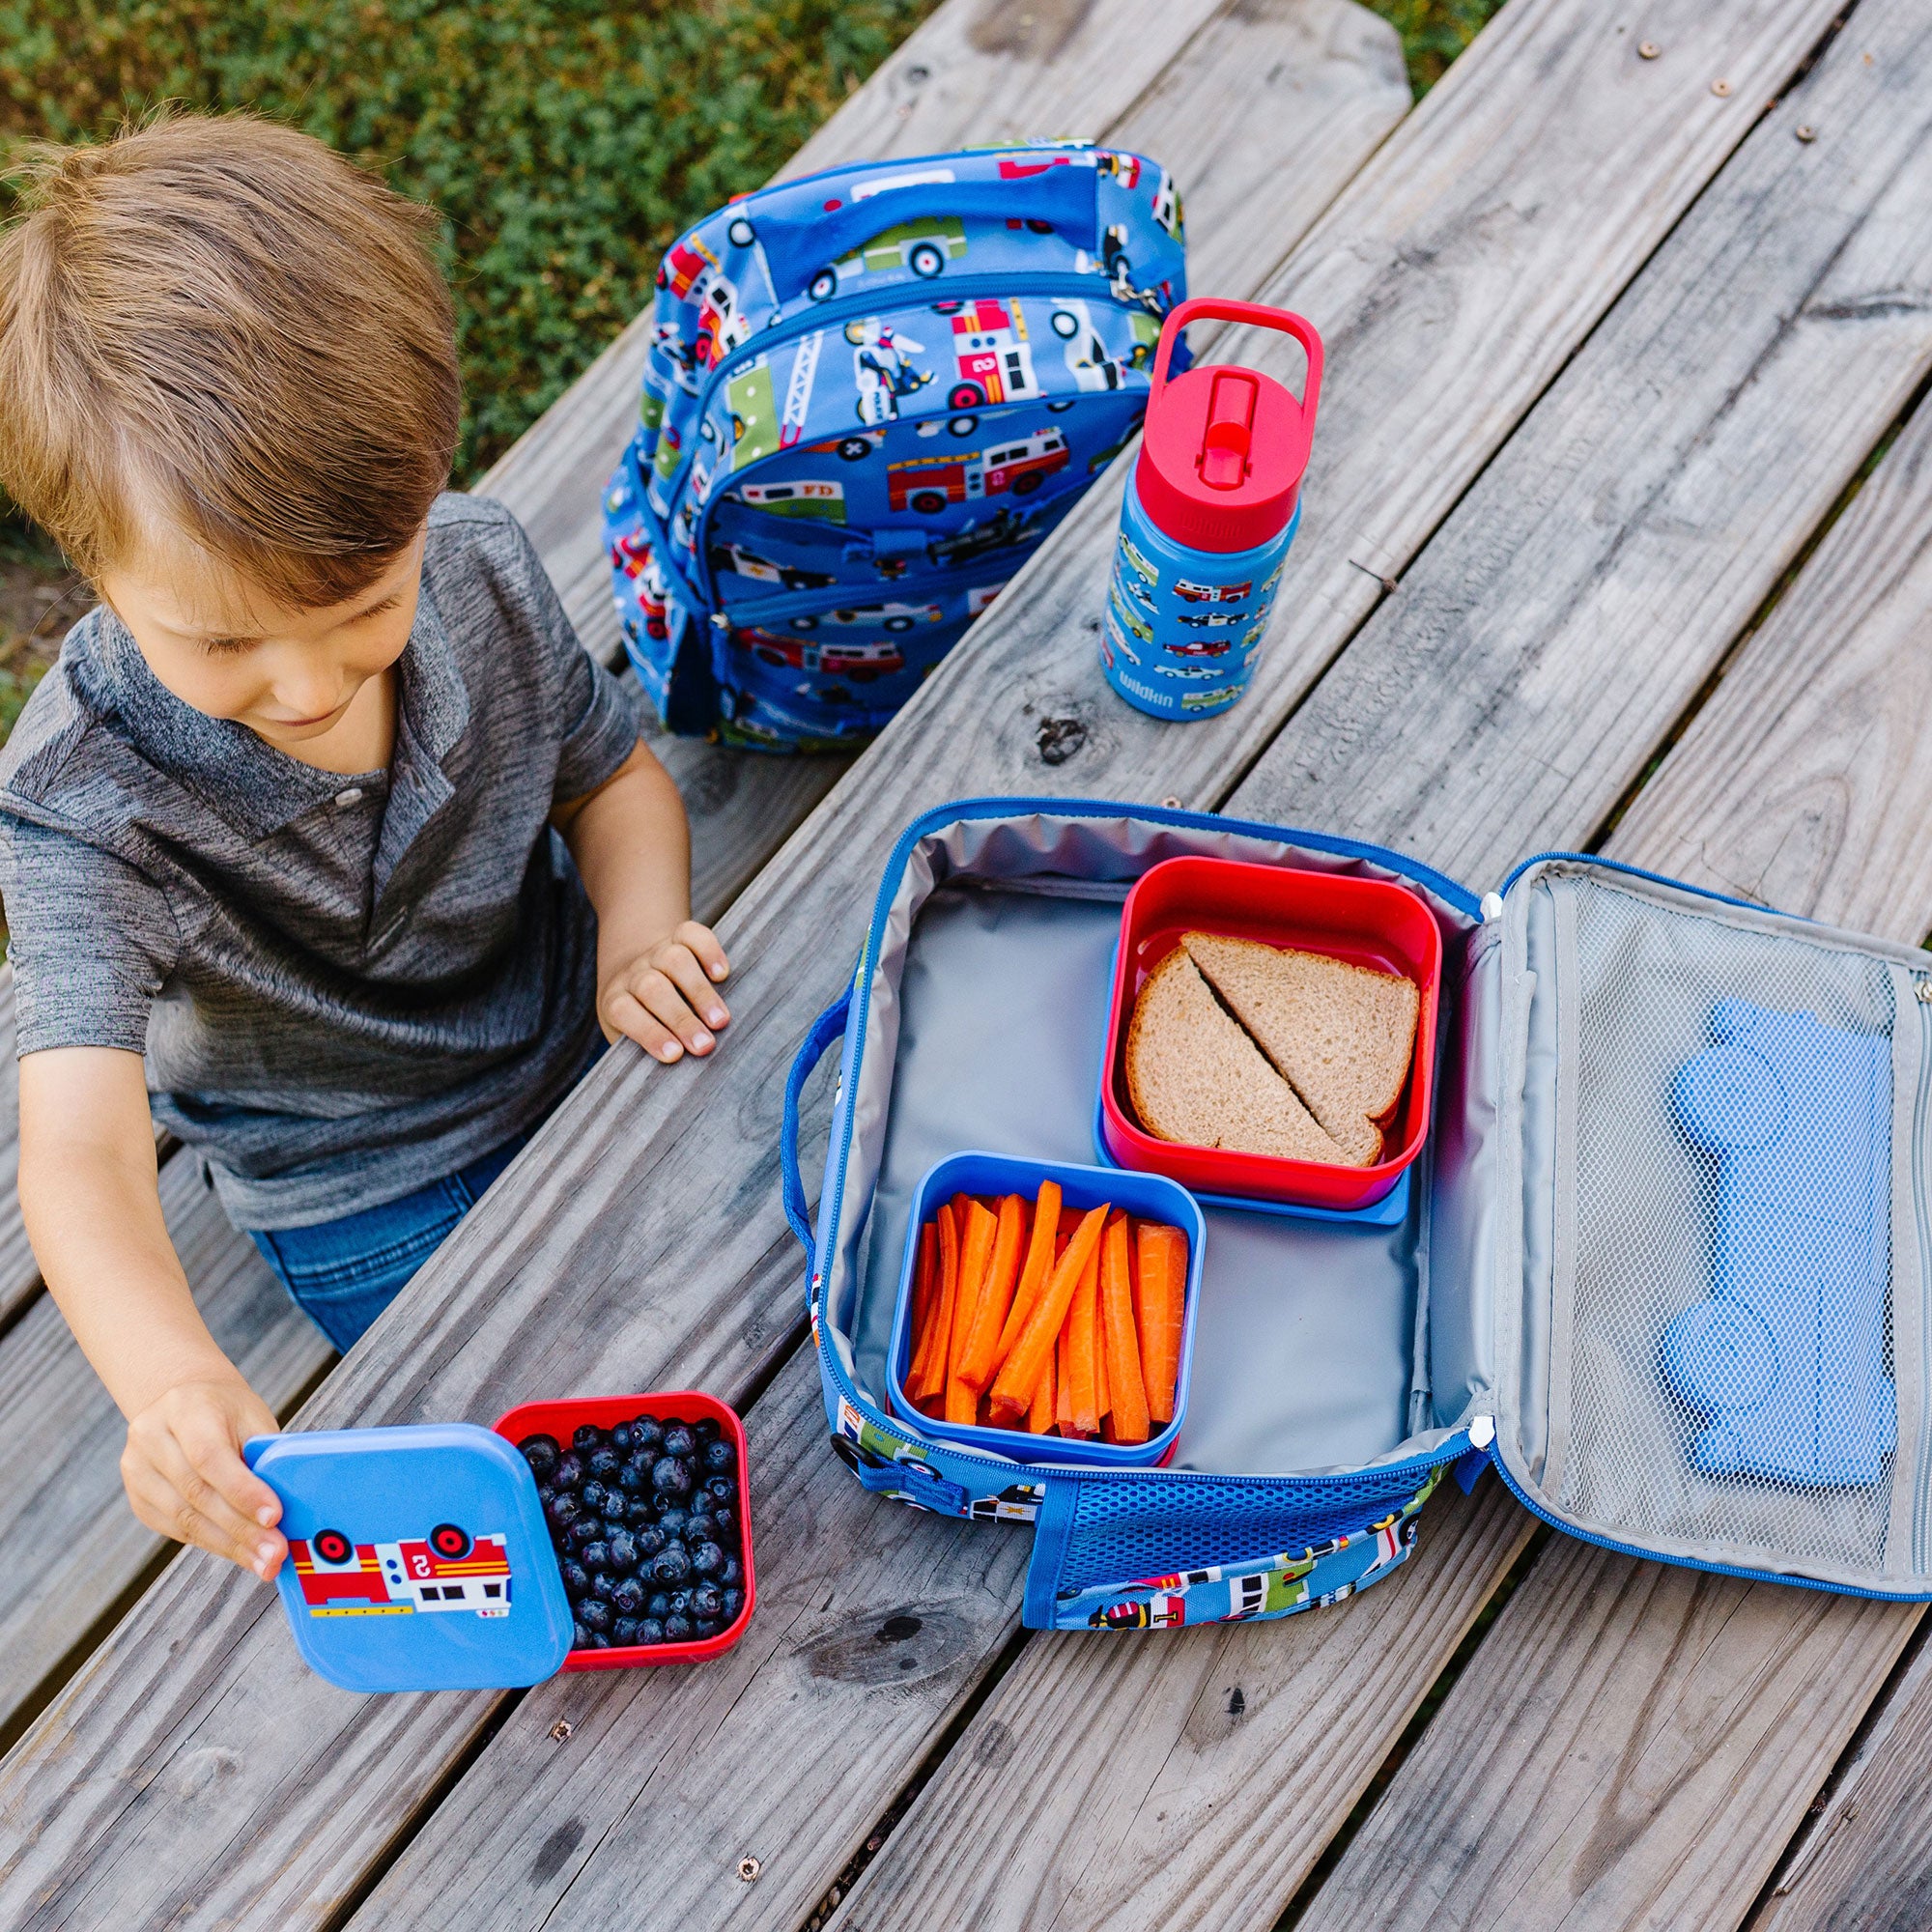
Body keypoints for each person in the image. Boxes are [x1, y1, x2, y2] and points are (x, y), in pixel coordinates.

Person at [0, 113, 732, 1583]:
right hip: (358, 1178)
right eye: (223, 643)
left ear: (423, 497)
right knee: (539, 1487)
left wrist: (643, 929)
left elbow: (612, 782)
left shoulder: (477, 571)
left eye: (361, 610)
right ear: (94, 567)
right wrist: (172, 1382)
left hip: (577, 1022)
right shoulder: (81, 803)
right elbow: (77, 1146)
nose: (309, 687)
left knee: (756, 1310)